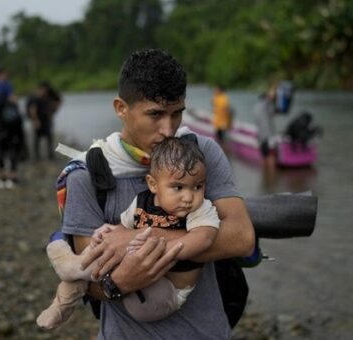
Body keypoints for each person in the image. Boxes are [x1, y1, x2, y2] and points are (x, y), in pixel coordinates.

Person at [51, 49, 254, 339]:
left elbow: (241, 237)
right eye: (155, 114)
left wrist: (132, 239)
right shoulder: (87, 175)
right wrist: (118, 282)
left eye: (177, 113)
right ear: (121, 108)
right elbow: (87, 278)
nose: (168, 130)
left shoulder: (202, 153)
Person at [37, 137, 221, 328]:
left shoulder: (201, 209)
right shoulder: (141, 201)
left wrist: (160, 248)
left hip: (166, 294)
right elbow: (123, 230)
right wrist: (108, 232)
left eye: (198, 186)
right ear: (153, 184)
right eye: (178, 187)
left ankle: (72, 265)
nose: (189, 197)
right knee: (104, 254)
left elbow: (204, 237)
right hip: (139, 276)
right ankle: (61, 303)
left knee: (113, 262)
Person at [0, 94, 23, 189]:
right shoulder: (5, 107)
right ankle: (4, 177)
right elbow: (17, 122)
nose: (15, 98)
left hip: (9, 136)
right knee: (5, 156)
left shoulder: (14, 108)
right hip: (7, 136)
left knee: (9, 156)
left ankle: (10, 176)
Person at [28, 81, 61, 160]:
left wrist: (54, 111)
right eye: (42, 89)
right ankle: (36, 156)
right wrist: (35, 121)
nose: (44, 91)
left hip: (47, 120)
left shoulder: (48, 97)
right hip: (38, 120)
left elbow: (57, 102)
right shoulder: (35, 98)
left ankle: (50, 155)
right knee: (37, 139)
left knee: (49, 138)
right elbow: (32, 110)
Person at [253, 83, 278, 172]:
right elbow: (270, 96)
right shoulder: (266, 105)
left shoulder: (256, 107)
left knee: (264, 156)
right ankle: (272, 178)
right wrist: (274, 88)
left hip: (261, 136)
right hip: (268, 136)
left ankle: (265, 178)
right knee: (271, 156)